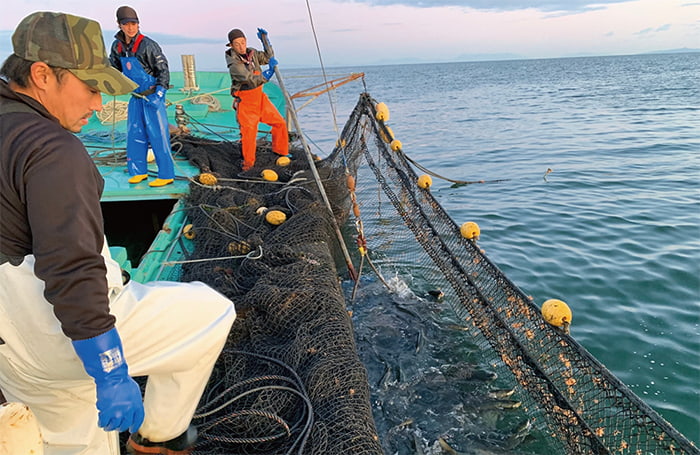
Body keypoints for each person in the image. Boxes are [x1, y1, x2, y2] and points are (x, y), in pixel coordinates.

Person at [0, 11, 236, 455]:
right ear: (42, 75)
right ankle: (158, 439)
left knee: (75, 437)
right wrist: (109, 371)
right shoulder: (53, 150)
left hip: (11, 354)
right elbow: (70, 265)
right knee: (212, 312)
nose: (96, 103)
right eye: (90, 87)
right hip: (60, 332)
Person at [109, 6, 175, 187]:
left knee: (158, 135)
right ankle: (138, 172)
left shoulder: (148, 45)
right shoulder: (117, 46)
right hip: (136, 97)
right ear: (119, 25)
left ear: (138, 24)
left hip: (152, 97)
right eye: (126, 24)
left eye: (134, 23)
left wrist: (159, 94)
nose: (131, 27)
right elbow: (114, 69)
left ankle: (166, 174)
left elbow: (163, 70)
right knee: (134, 134)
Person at [225, 27, 289, 171]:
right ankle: (248, 166)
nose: (241, 46)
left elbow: (267, 57)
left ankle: (281, 152)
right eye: (237, 44)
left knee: (279, 123)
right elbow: (249, 80)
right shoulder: (234, 64)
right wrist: (266, 75)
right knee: (249, 135)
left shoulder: (252, 53)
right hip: (246, 101)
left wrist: (266, 42)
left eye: (243, 42)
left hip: (260, 97)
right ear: (231, 46)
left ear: (246, 41)